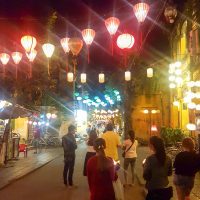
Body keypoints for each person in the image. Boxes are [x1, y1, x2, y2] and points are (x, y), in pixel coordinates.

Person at [143, 136, 173, 200]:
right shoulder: (168, 158)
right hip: (165, 187)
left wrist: (144, 166)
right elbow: (169, 173)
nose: (148, 145)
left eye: (149, 144)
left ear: (152, 145)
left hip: (153, 189)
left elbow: (146, 176)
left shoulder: (150, 159)